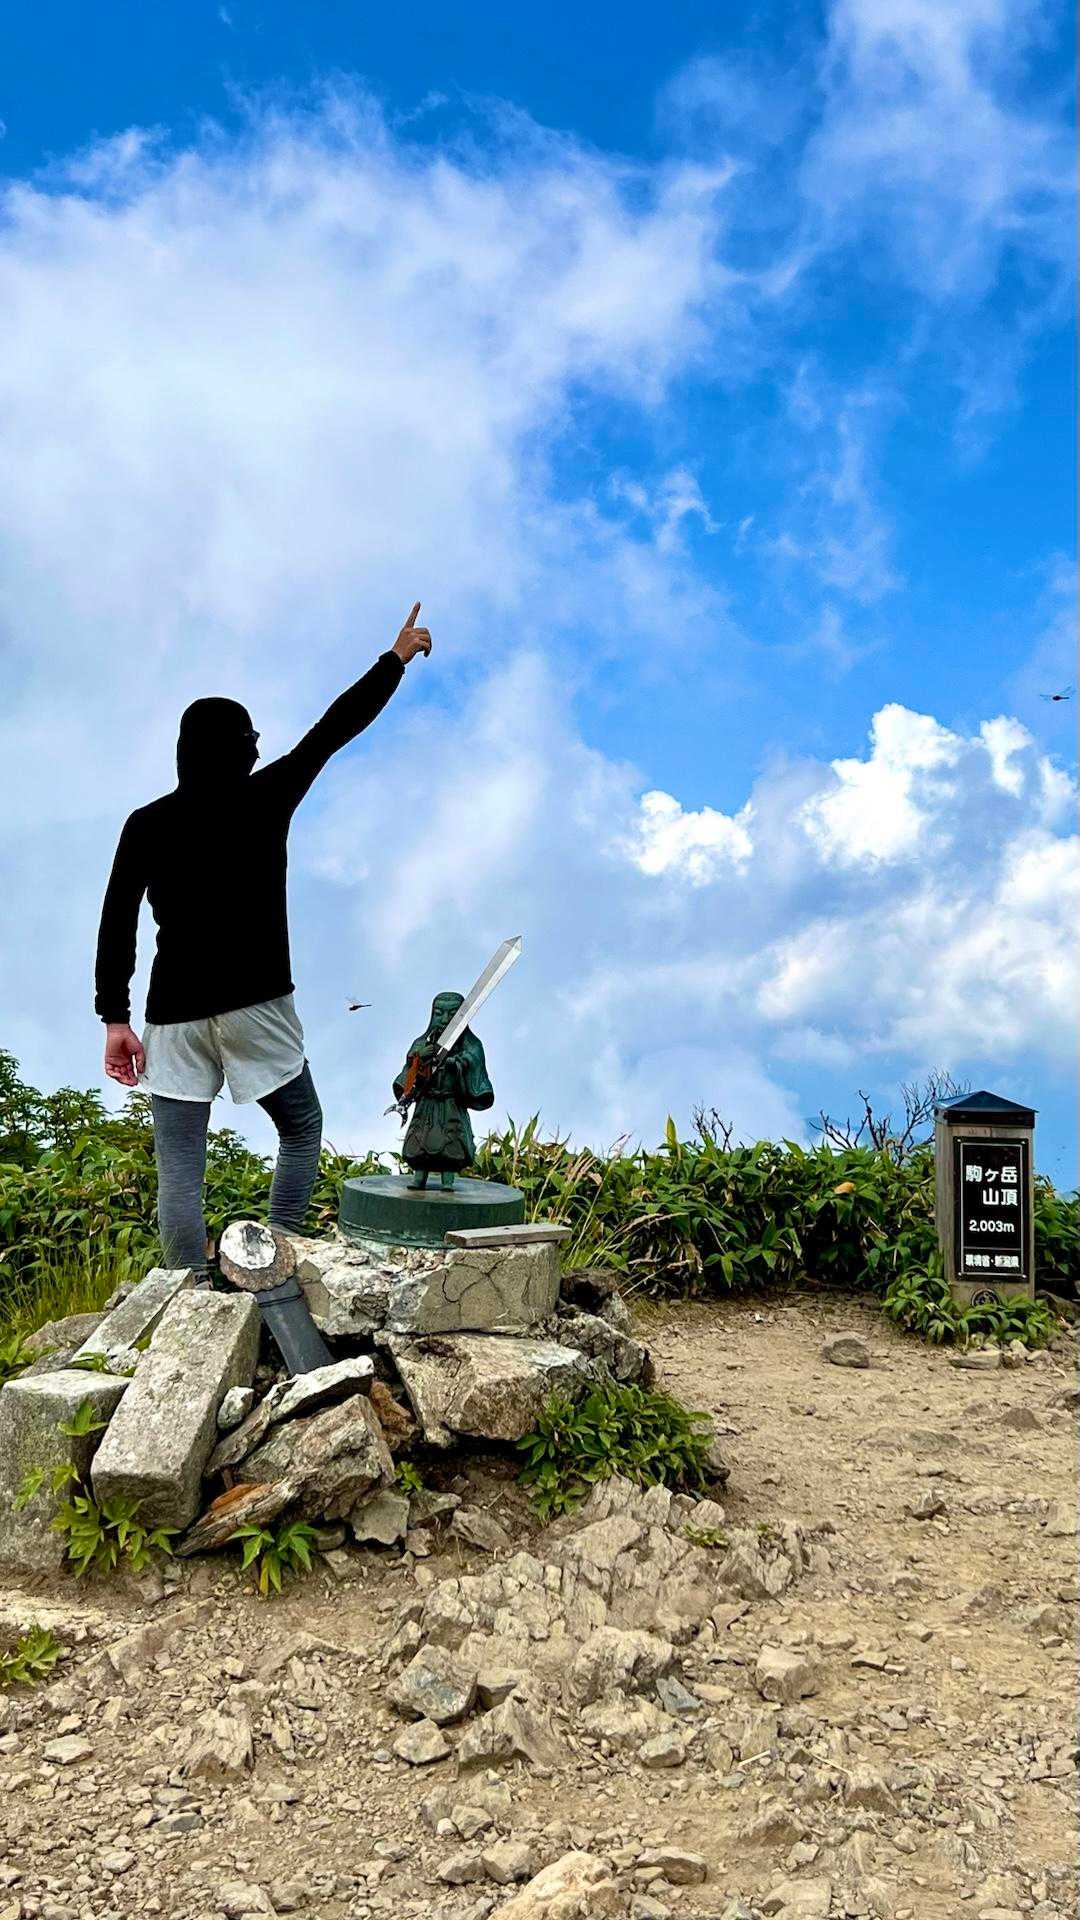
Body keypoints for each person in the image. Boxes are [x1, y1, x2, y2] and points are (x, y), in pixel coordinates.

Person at [94, 603, 432, 1274]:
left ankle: (189, 1296)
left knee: (180, 1172)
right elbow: (333, 729)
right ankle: (273, 1267)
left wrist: (115, 1018)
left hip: (173, 1014)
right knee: (302, 1128)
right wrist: (394, 659)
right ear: (242, 748)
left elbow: (117, 920)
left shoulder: (145, 823)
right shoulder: (266, 795)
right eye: (251, 739)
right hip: (257, 1003)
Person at [392, 991, 494, 1190]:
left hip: (451, 1103)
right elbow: (409, 1071)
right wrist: (419, 1057)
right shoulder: (421, 1043)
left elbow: (473, 1061)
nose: (445, 1019)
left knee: (452, 1142)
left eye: (452, 1014)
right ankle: (419, 1178)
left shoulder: (470, 1045)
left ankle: (448, 1181)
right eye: (439, 1013)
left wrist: (458, 1063)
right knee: (419, 1141)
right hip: (426, 1103)